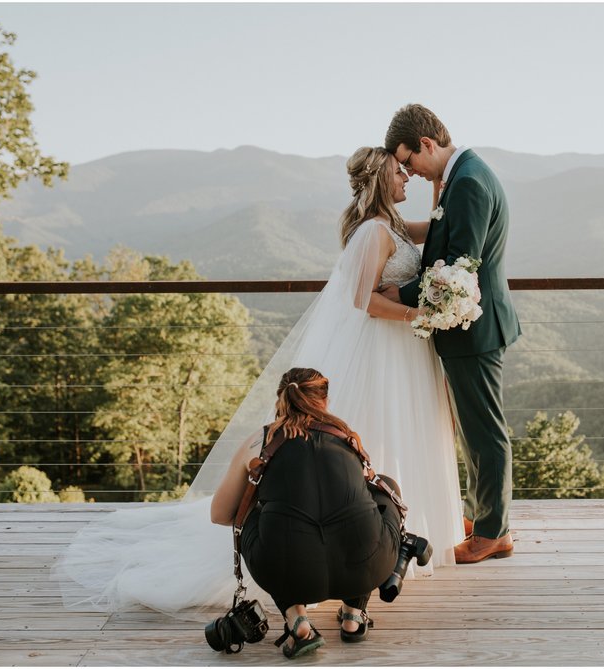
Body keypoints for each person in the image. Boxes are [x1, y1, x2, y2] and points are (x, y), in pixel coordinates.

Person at [53, 146, 464, 616]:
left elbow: (436, 227)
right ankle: (363, 534)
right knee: (379, 423)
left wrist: (444, 184)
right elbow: (361, 299)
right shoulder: (374, 231)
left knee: (397, 426)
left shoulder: (389, 224)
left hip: (399, 349)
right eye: (399, 172)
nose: (405, 177)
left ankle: (379, 531)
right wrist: (421, 315)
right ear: (379, 179)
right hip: (383, 345)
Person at [381, 104, 521, 563]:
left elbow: (458, 270)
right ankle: (482, 516)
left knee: (485, 431)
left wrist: (399, 294)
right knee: (471, 429)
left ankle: (493, 532)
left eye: (409, 161)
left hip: (474, 328)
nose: (410, 172)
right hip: (465, 326)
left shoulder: (468, 184)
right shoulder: (459, 176)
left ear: (427, 144)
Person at [210, 367, 423, 657]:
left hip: (288, 575)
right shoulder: (347, 435)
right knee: (386, 487)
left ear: (281, 400)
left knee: (247, 511)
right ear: (324, 399)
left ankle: (297, 621)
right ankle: (353, 615)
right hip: (366, 570)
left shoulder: (259, 443)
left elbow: (221, 515)